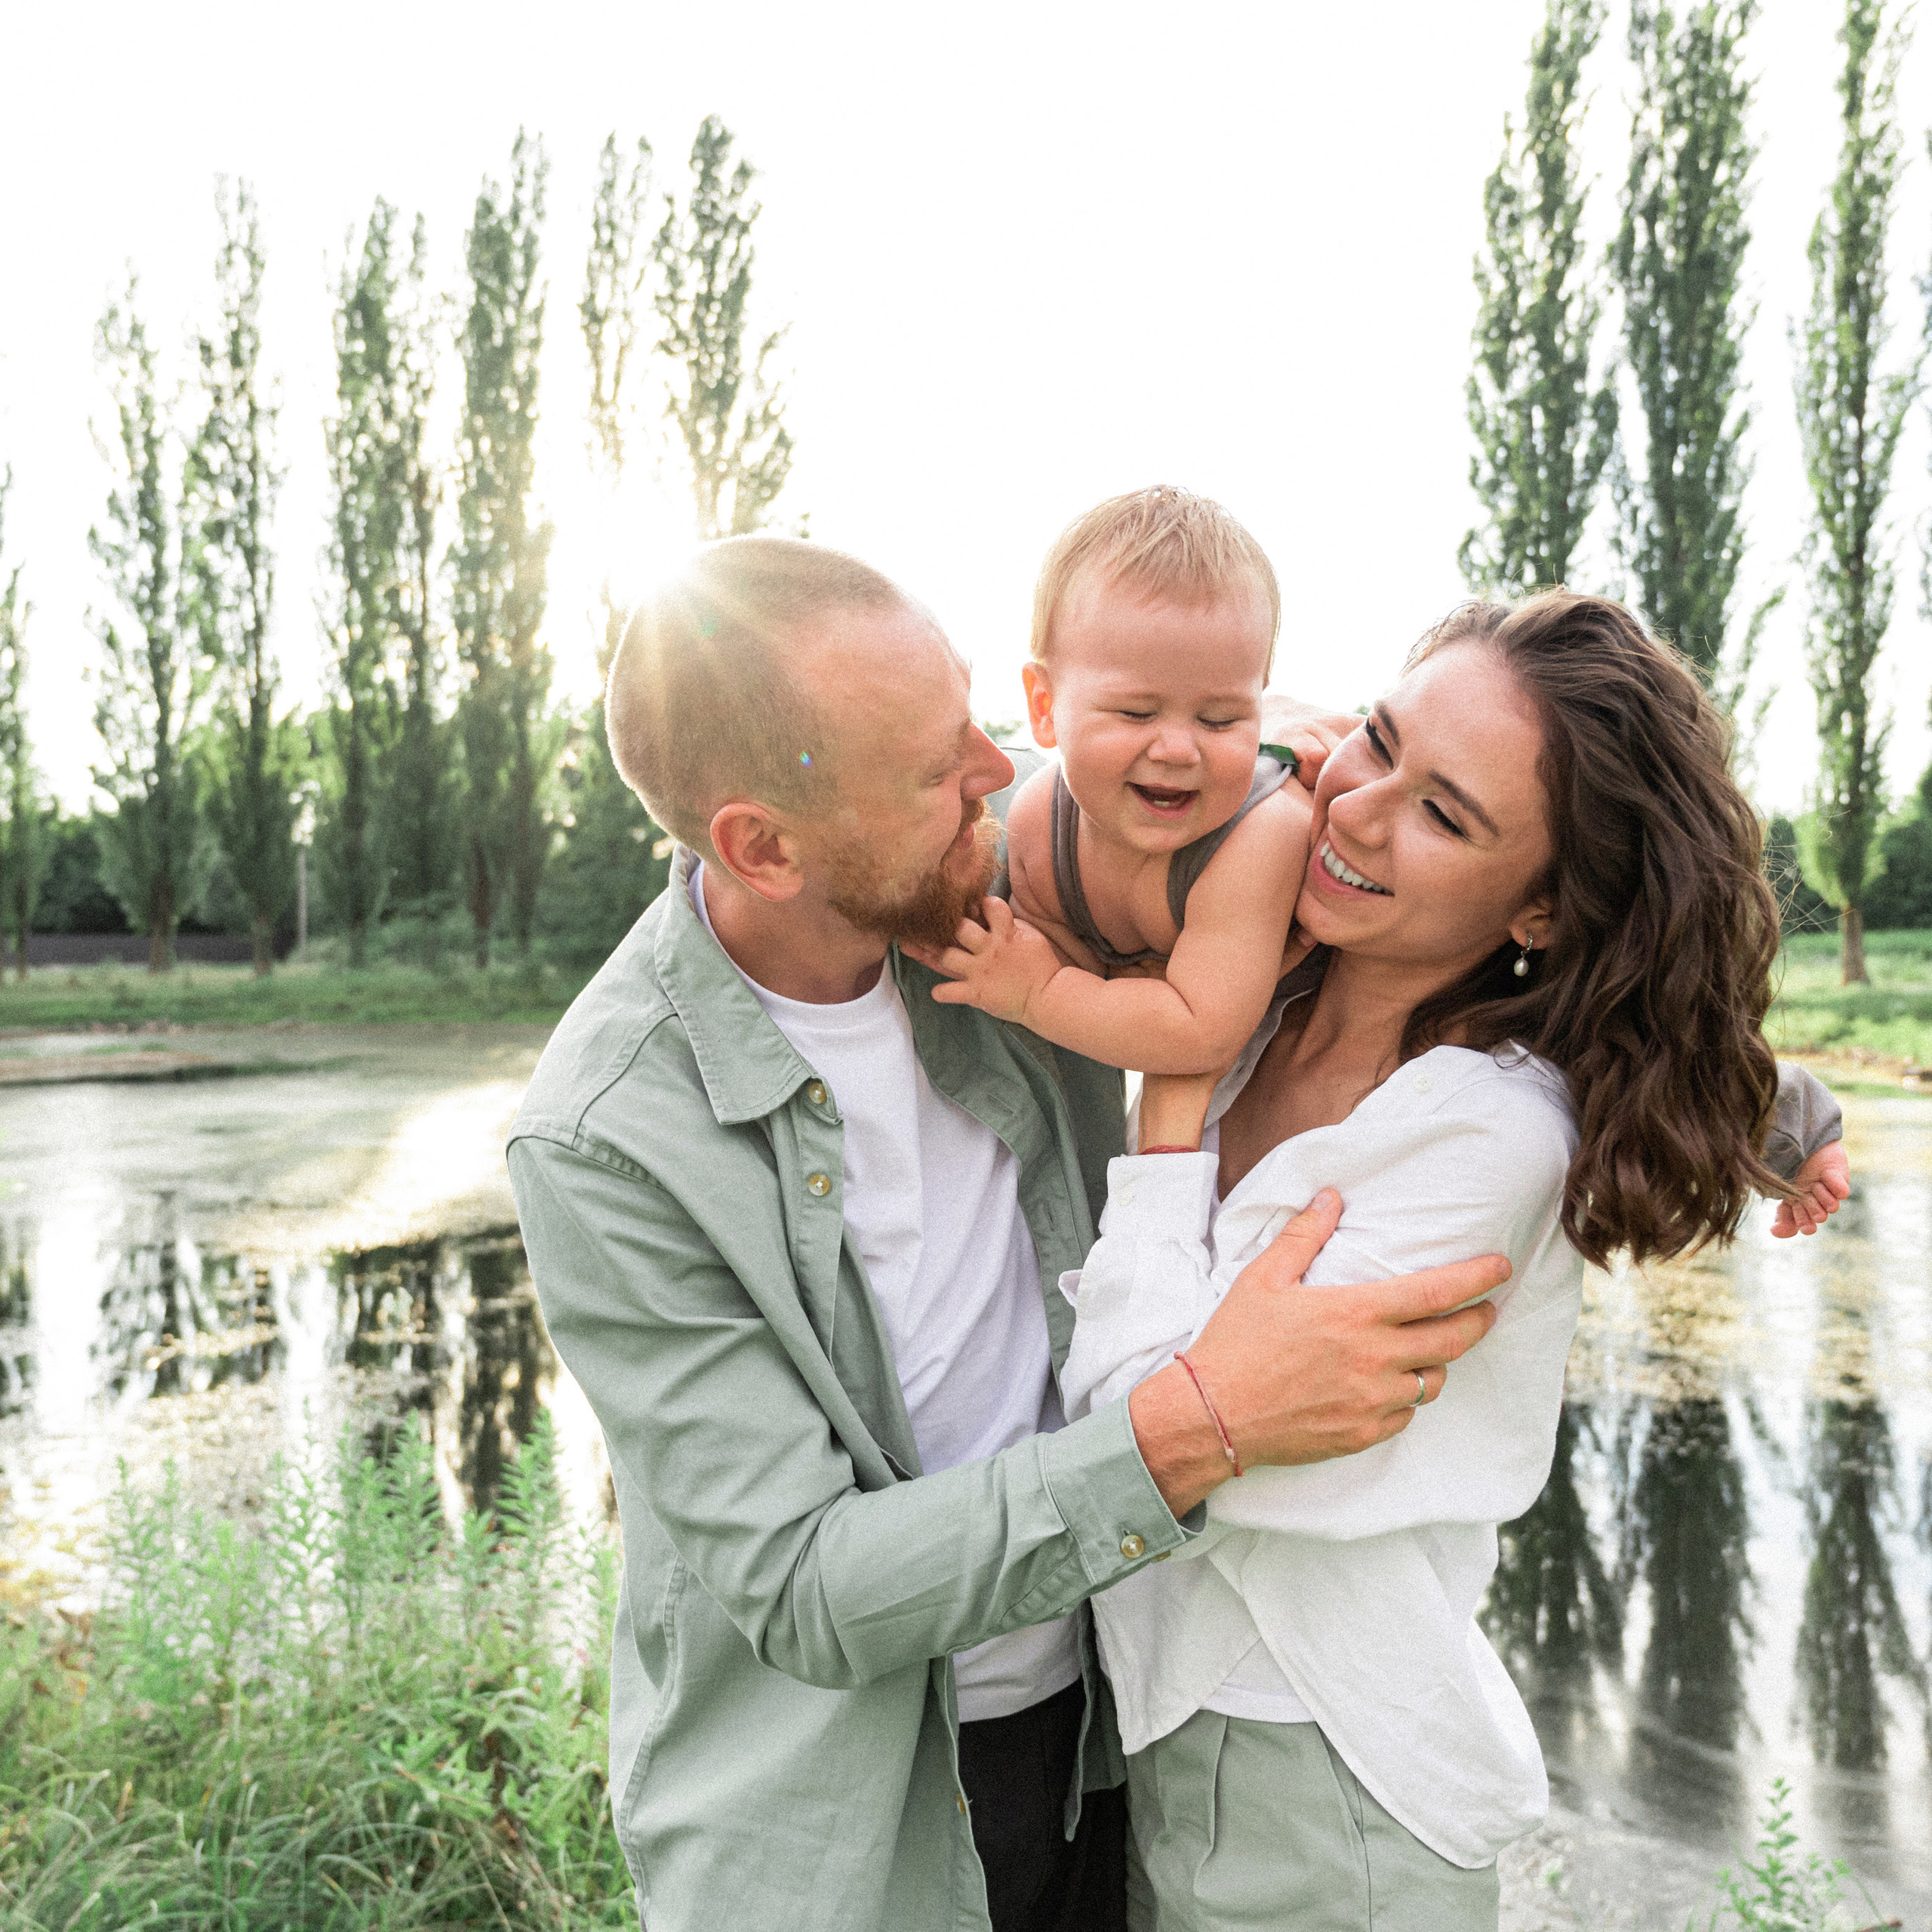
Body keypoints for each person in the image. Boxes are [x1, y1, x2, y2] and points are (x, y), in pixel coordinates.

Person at [505, 537, 1511, 1932]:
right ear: (761, 846)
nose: (998, 776)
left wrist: (1760, 1094)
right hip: (839, 1843)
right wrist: (1201, 1425)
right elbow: (804, 1586)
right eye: (935, 770)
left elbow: (1472, 883)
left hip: (1103, 1749)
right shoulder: (604, 1138)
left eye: (980, 720)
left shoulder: (1007, 916)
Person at [1035, 592, 1850, 1931]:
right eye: (1378, 740)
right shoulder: (1263, 991)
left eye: (1443, 814)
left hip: (1329, 1778)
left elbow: (1158, 1434)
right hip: (1167, 1732)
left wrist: (1168, 1114)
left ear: (1538, 904)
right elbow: (1085, 780)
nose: (1356, 810)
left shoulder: (1485, 1133)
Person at [934, 486, 1313, 1075]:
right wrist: (1018, 960)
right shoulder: (1041, 823)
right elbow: (1054, 955)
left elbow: (1200, 1033)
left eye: (1221, 719)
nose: (1178, 749)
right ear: (1044, 705)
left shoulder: (1257, 841)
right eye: (1137, 713)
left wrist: (1039, 995)